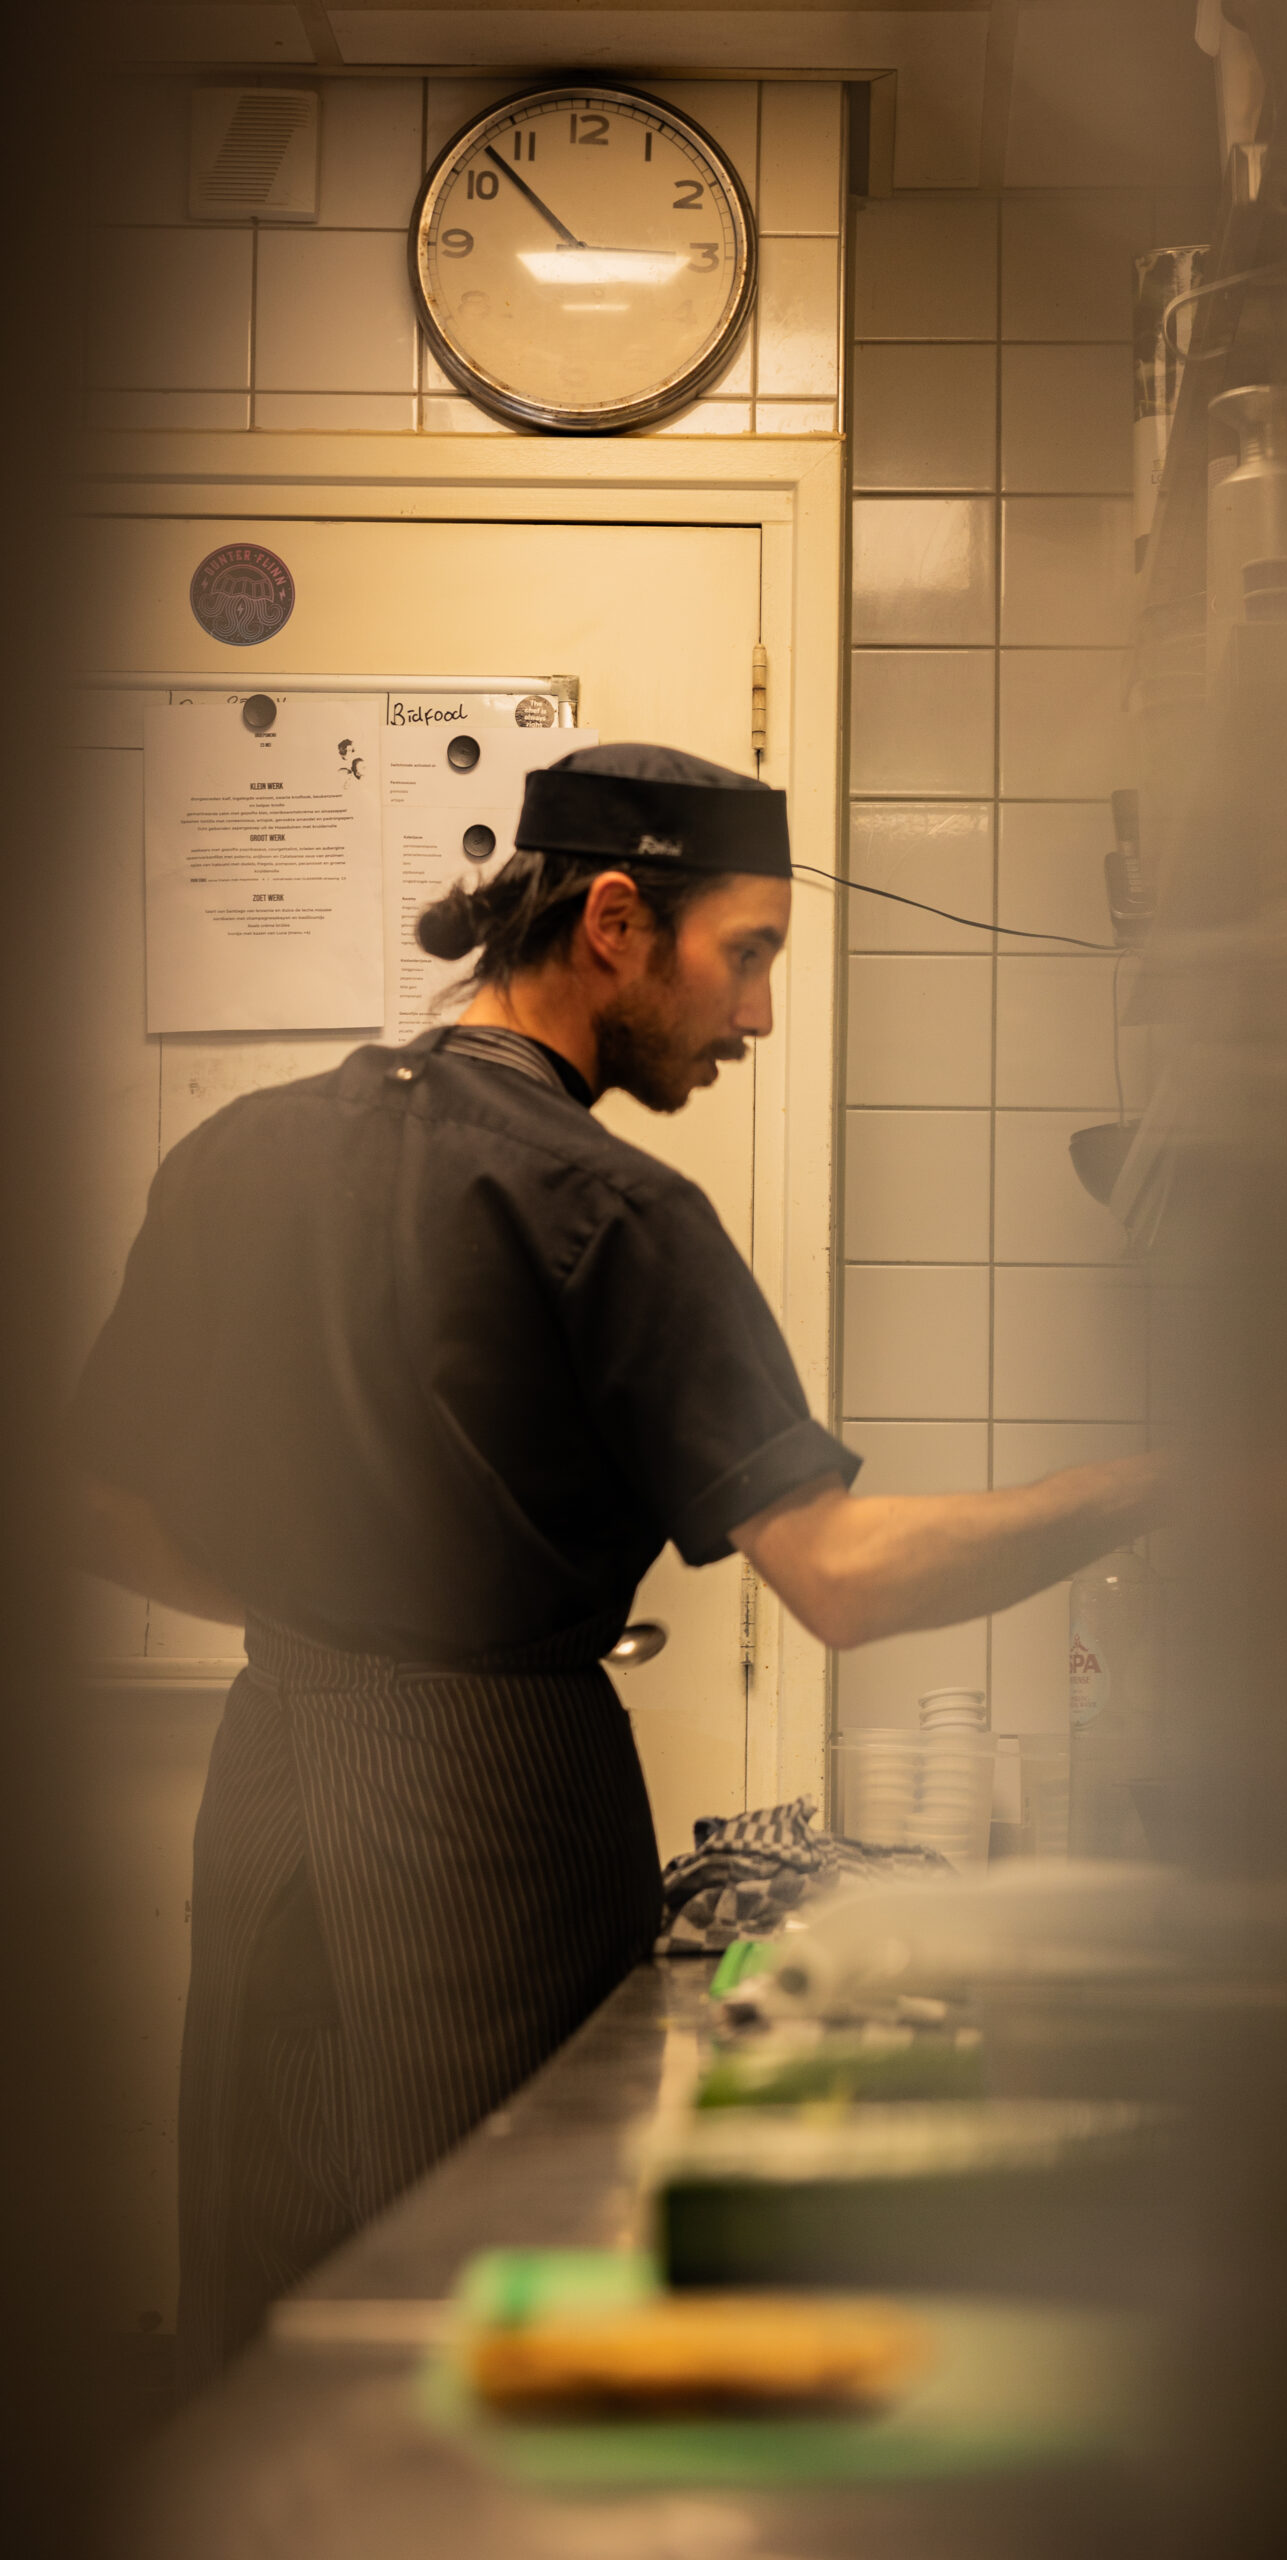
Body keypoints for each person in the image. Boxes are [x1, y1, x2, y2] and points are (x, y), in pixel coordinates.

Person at [69, 743, 1165, 2386]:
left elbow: (95, 1506)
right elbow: (843, 1576)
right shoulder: (611, 1207)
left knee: (275, 2312)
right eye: (750, 953)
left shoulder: (237, 1153)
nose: (759, 1016)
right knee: (498, 2289)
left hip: (269, 1778)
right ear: (612, 923)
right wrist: (1153, 1481)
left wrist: (332, 1629)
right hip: (492, 1803)